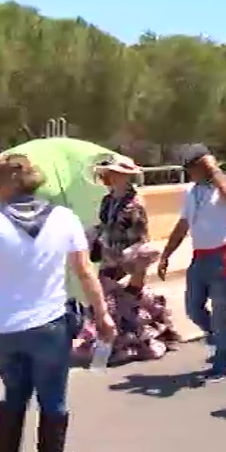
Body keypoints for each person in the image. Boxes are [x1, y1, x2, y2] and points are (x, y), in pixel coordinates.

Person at [0, 154, 117, 452]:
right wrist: (102, 315)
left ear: (0, 187)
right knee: (53, 402)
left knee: (14, 394)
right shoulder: (64, 218)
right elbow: (85, 271)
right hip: (49, 326)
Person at [76, 154, 180, 366]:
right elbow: (106, 227)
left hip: (126, 263)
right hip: (108, 259)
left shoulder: (135, 204)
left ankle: (125, 348)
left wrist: (135, 270)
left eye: (111, 174)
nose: (106, 178)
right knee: (107, 306)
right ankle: (112, 349)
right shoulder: (108, 201)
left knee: (123, 305)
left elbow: (140, 240)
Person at [157, 144, 226, 381]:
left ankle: (223, 362)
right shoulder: (192, 191)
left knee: (222, 312)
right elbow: (183, 225)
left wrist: (214, 169)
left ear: (204, 165)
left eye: (192, 167)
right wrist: (166, 254)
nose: (188, 172)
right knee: (193, 308)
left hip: (222, 254)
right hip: (200, 256)